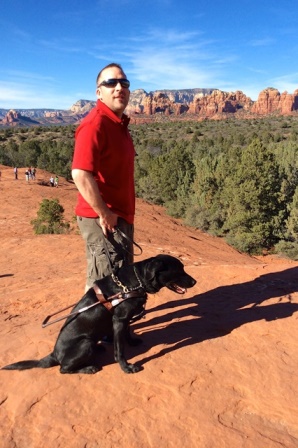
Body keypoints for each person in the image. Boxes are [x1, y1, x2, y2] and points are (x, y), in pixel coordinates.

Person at [72, 62, 135, 292]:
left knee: (120, 278)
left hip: (118, 217)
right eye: (111, 82)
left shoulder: (117, 123)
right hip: (103, 219)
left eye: (124, 82)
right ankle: (93, 328)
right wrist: (104, 212)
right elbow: (79, 173)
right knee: (104, 285)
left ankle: (117, 327)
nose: (119, 87)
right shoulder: (95, 124)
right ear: (99, 92)